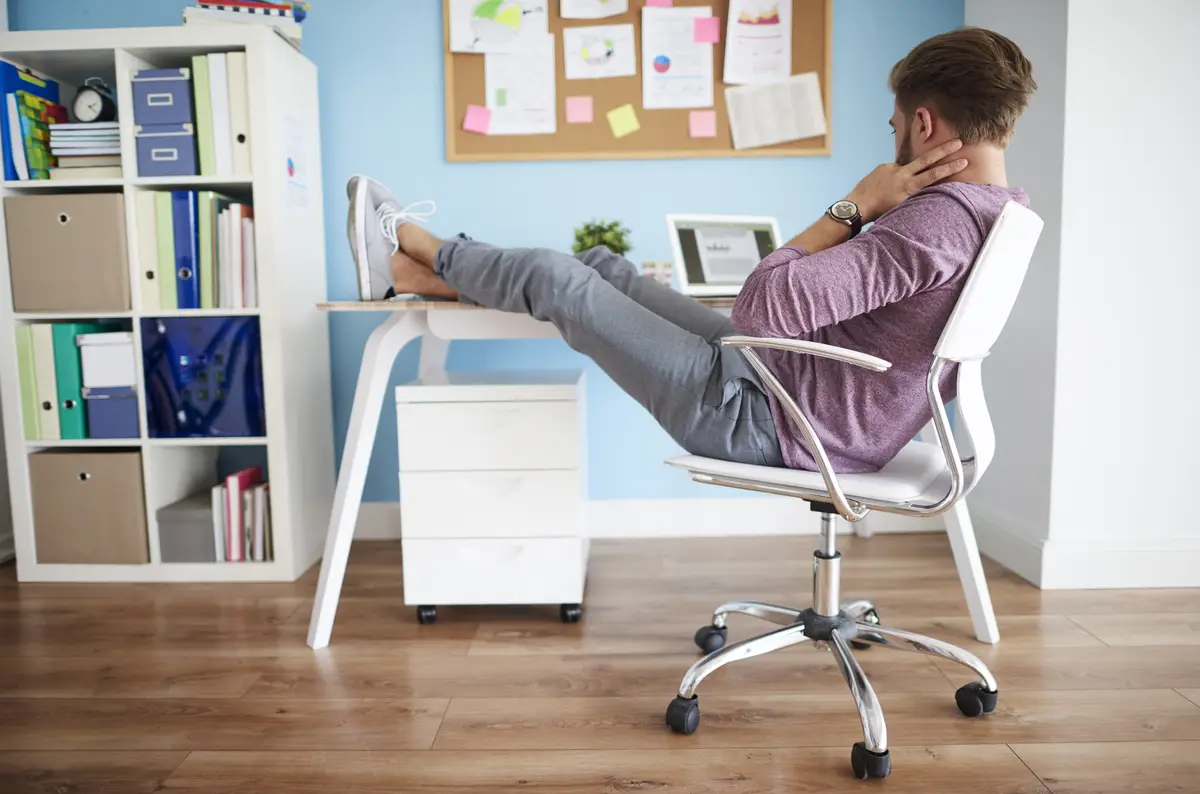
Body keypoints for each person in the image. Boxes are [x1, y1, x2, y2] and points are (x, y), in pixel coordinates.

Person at [344, 27, 1036, 474]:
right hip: (792, 390)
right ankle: (423, 275)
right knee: (603, 268)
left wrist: (855, 204)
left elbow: (761, 306)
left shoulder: (931, 225)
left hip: (772, 421)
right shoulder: (1002, 213)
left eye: (894, 128)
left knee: (563, 282)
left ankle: (420, 246)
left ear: (923, 122)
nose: (891, 145)